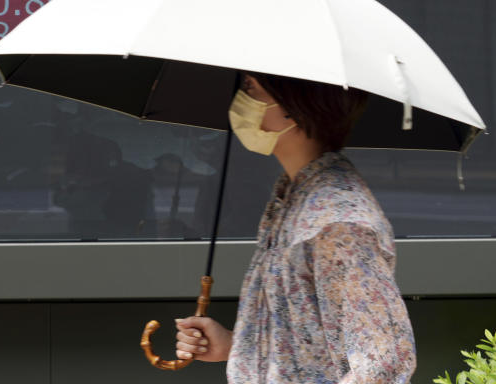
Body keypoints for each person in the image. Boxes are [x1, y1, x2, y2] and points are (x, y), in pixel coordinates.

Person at [174, 72, 416, 383]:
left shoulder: (338, 221)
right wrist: (235, 347)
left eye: (250, 87)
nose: (239, 99)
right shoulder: (297, 194)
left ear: (296, 104)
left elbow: (382, 365)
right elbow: (308, 348)